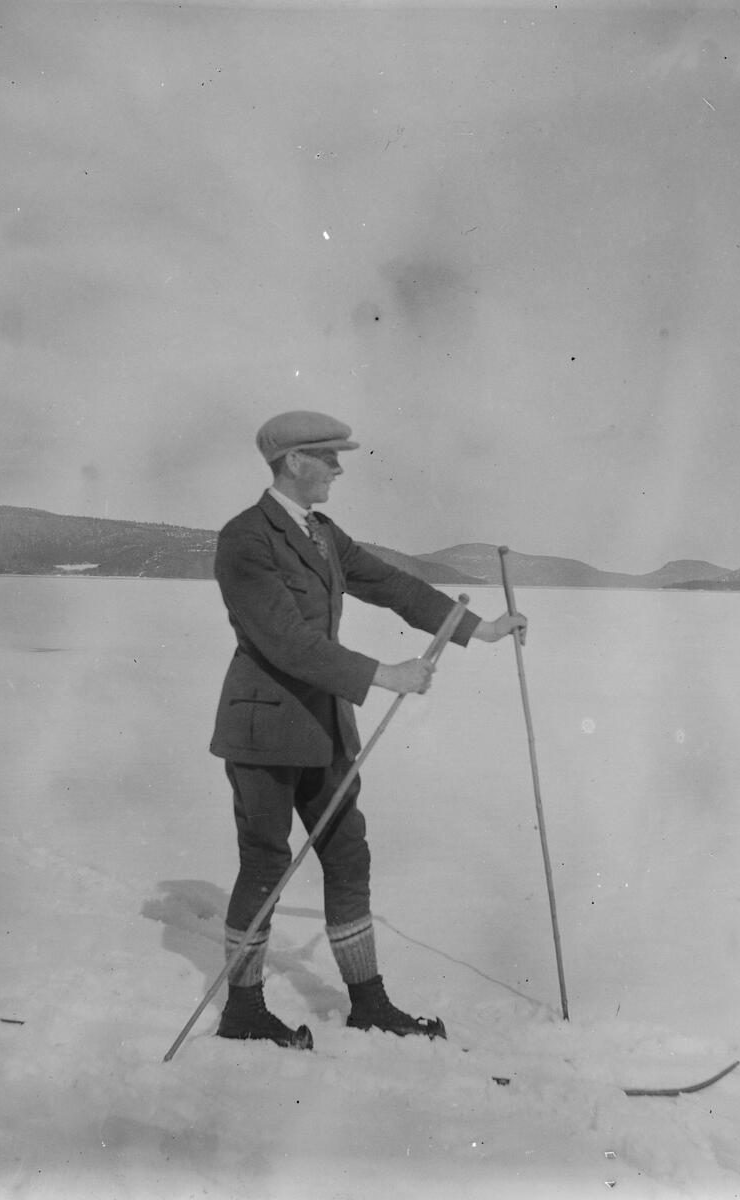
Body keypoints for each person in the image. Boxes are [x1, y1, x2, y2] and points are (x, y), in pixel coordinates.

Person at [210, 410, 526, 1049]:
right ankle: (242, 1011)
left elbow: (389, 584)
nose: (338, 468)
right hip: (265, 728)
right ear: (294, 461)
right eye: (328, 457)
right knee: (266, 862)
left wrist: (479, 630)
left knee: (347, 855)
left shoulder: (322, 534)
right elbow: (286, 642)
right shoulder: (246, 538)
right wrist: (385, 674)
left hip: (324, 725)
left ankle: (369, 1003)